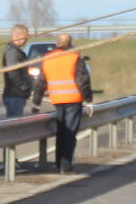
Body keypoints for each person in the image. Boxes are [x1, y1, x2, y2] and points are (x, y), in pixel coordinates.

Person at [32, 33, 92, 173]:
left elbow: (40, 82)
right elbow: (82, 80)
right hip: (73, 100)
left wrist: (36, 103)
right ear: (71, 43)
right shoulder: (74, 57)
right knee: (70, 134)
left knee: (61, 133)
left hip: (57, 100)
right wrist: (89, 100)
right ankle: (66, 166)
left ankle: (58, 163)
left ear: (56, 43)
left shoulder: (48, 58)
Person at [1, 24, 34, 119]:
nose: (27, 39)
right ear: (17, 36)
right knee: (14, 125)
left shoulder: (16, 51)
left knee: (15, 124)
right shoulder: (12, 52)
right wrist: (23, 85)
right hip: (14, 94)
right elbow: (12, 72)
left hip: (17, 94)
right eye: (25, 36)